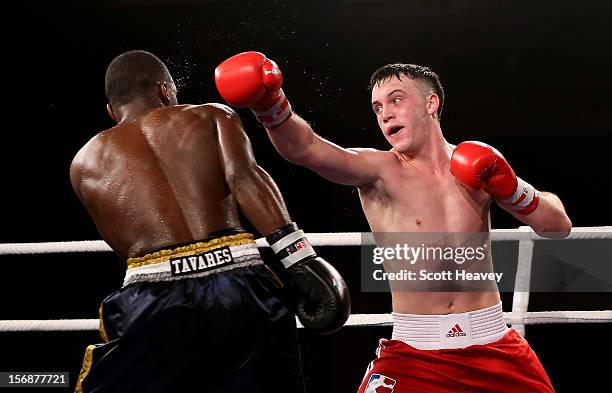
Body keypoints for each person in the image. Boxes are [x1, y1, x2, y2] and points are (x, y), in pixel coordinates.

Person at [214, 52, 573, 392]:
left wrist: (513, 191)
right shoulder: (379, 171)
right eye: (377, 108)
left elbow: (556, 225)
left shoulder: (477, 166)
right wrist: (270, 105)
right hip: (416, 353)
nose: (385, 114)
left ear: (431, 104)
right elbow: (305, 148)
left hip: (494, 344)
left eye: (396, 100)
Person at [69, 50, 350, 393]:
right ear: (165, 91)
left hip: (153, 303)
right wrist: (301, 260)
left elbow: (126, 251)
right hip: (237, 283)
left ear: (112, 111)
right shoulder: (211, 115)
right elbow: (246, 180)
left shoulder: (83, 163)